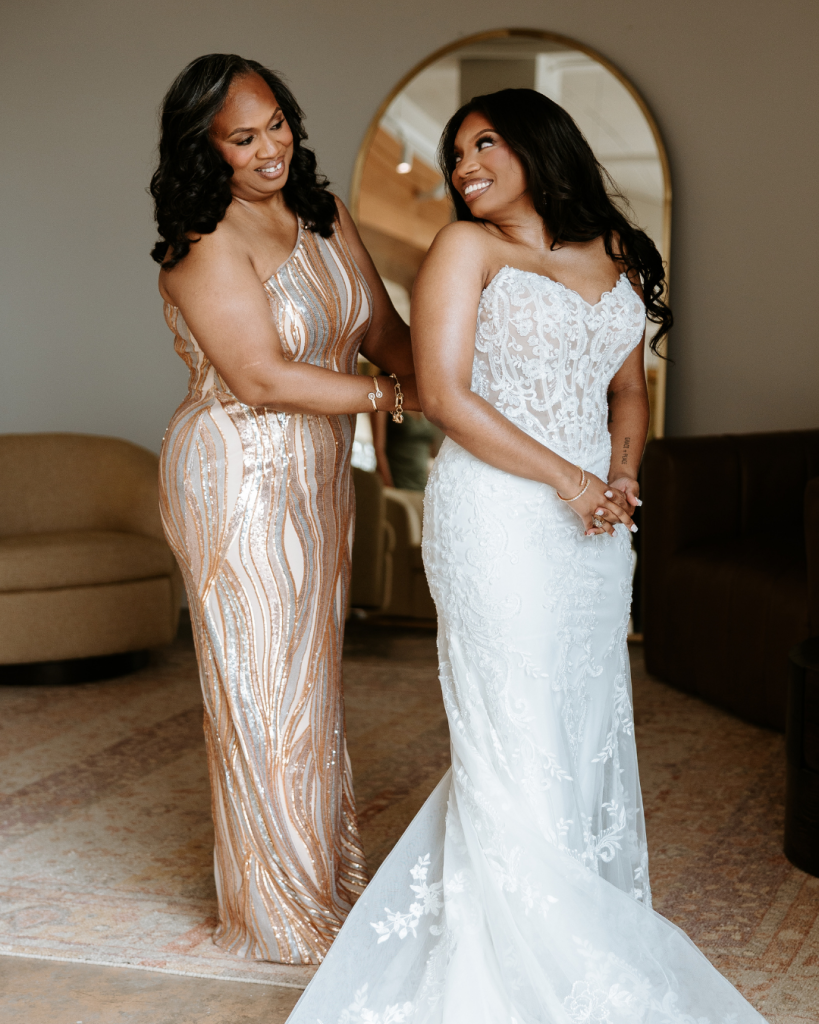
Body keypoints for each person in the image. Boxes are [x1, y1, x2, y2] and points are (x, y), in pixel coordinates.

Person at [285, 90, 766, 1020]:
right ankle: (522, 952)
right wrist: (570, 481)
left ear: (542, 146)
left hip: (592, 526)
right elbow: (448, 395)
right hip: (499, 515)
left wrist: (618, 478)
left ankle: (579, 914)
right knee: (512, 723)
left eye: (483, 143)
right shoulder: (465, 250)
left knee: (580, 716)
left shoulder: (616, 253)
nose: (462, 165)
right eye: (454, 151)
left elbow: (627, 387)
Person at [151, 54, 416, 965]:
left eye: (276, 125)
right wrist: (392, 402)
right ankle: (277, 915)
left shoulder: (324, 215)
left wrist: (456, 375)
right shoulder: (203, 241)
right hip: (237, 474)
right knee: (263, 691)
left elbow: (381, 332)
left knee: (311, 683)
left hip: (316, 474)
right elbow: (261, 375)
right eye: (241, 137)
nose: (268, 148)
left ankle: (320, 878)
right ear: (206, 148)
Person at [371, 409, 444, 491]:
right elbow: (379, 449)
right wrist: (389, 486)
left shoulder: (424, 403)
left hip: (423, 484)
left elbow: (431, 452)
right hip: (397, 481)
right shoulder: (385, 403)